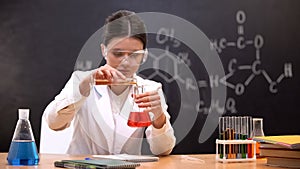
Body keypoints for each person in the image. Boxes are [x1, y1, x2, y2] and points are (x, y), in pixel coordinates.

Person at [42, 10, 176, 155]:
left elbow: (162, 151)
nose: (126, 62)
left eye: (134, 55)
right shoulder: (81, 81)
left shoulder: (150, 89)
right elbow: (53, 123)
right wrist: (82, 89)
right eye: (117, 54)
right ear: (104, 50)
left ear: (144, 55)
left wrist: (159, 118)